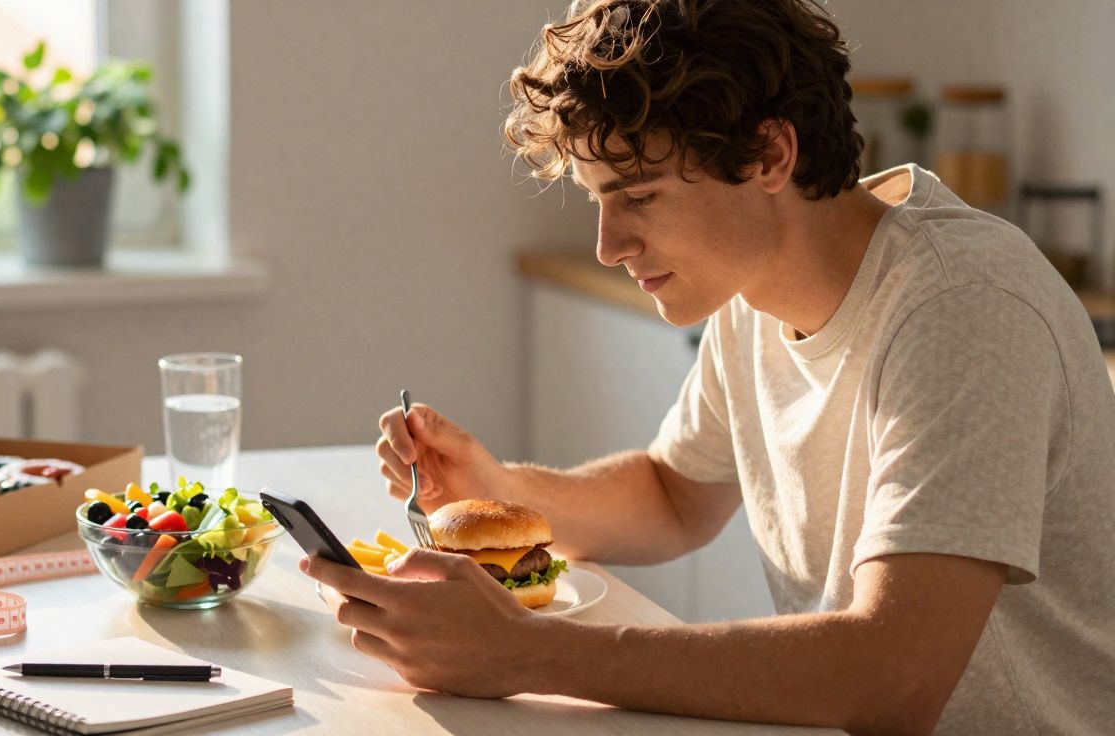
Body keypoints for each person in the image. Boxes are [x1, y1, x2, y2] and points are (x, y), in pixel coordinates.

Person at [299, 1, 1115, 733]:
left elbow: (894, 676)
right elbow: (674, 497)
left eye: (639, 196)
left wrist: (525, 652)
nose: (608, 246)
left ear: (769, 155)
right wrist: (501, 490)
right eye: (597, 199)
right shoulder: (748, 284)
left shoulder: (962, 305)